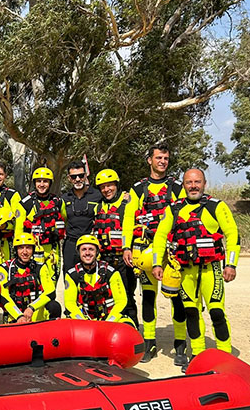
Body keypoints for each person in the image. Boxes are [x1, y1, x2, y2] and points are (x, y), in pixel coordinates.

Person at [152, 169, 240, 369]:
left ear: (204, 183)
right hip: (185, 271)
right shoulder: (173, 209)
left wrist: (231, 264)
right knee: (191, 312)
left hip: (211, 269)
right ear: (183, 185)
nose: (193, 186)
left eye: (197, 182)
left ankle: (225, 355)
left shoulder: (216, 206)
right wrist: (158, 263)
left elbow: (232, 234)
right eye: (189, 182)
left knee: (217, 312)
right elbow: (160, 236)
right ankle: (198, 355)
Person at [122, 143, 187, 362]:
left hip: (171, 253)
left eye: (166, 158)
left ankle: (180, 344)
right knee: (148, 296)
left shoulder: (177, 188)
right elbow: (128, 219)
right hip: (145, 252)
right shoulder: (138, 189)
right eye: (158, 157)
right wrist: (126, 247)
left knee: (176, 296)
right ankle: (149, 342)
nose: (162, 162)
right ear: (149, 160)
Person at [92, 169, 138, 327]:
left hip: (124, 261)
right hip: (105, 260)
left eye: (110, 185)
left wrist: (127, 248)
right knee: (107, 298)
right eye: (103, 187)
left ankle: (133, 330)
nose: (106, 190)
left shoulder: (127, 202)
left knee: (127, 298)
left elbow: (129, 227)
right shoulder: (98, 207)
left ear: (116, 185)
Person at [0, 234, 61, 324]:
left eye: (28, 248)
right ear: (16, 250)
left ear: (33, 250)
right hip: (14, 315)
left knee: (54, 306)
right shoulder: (5, 268)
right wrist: (19, 316)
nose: (25, 252)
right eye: (21, 248)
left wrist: (31, 308)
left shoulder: (40, 267)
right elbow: (4, 296)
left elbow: (51, 292)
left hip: (35, 314)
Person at [63, 235, 129, 322]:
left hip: (109, 319)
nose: (87, 253)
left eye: (91, 249)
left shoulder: (111, 273)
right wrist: (83, 322)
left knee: (128, 325)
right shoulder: (72, 275)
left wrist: (109, 322)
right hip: (84, 320)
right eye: (83, 249)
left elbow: (121, 301)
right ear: (78, 252)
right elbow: (70, 303)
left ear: (97, 252)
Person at [18, 167, 67, 285]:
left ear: (50, 183)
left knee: (52, 286)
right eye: (38, 181)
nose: (42, 184)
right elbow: (18, 231)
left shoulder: (59, 202)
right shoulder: (25, 203)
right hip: (33, 250)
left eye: (45, 181)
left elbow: (65, 220)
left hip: (52, 250)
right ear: (34, 183)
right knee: (34, 285)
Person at [61, 160, 102, 274]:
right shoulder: (64, 198)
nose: (78, 179)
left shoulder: (97, 195)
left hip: (91, 243)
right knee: (69, 277)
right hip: (70, 244)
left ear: (85, 175)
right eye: (74, 177)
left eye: (81, 175)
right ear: (69, 178)